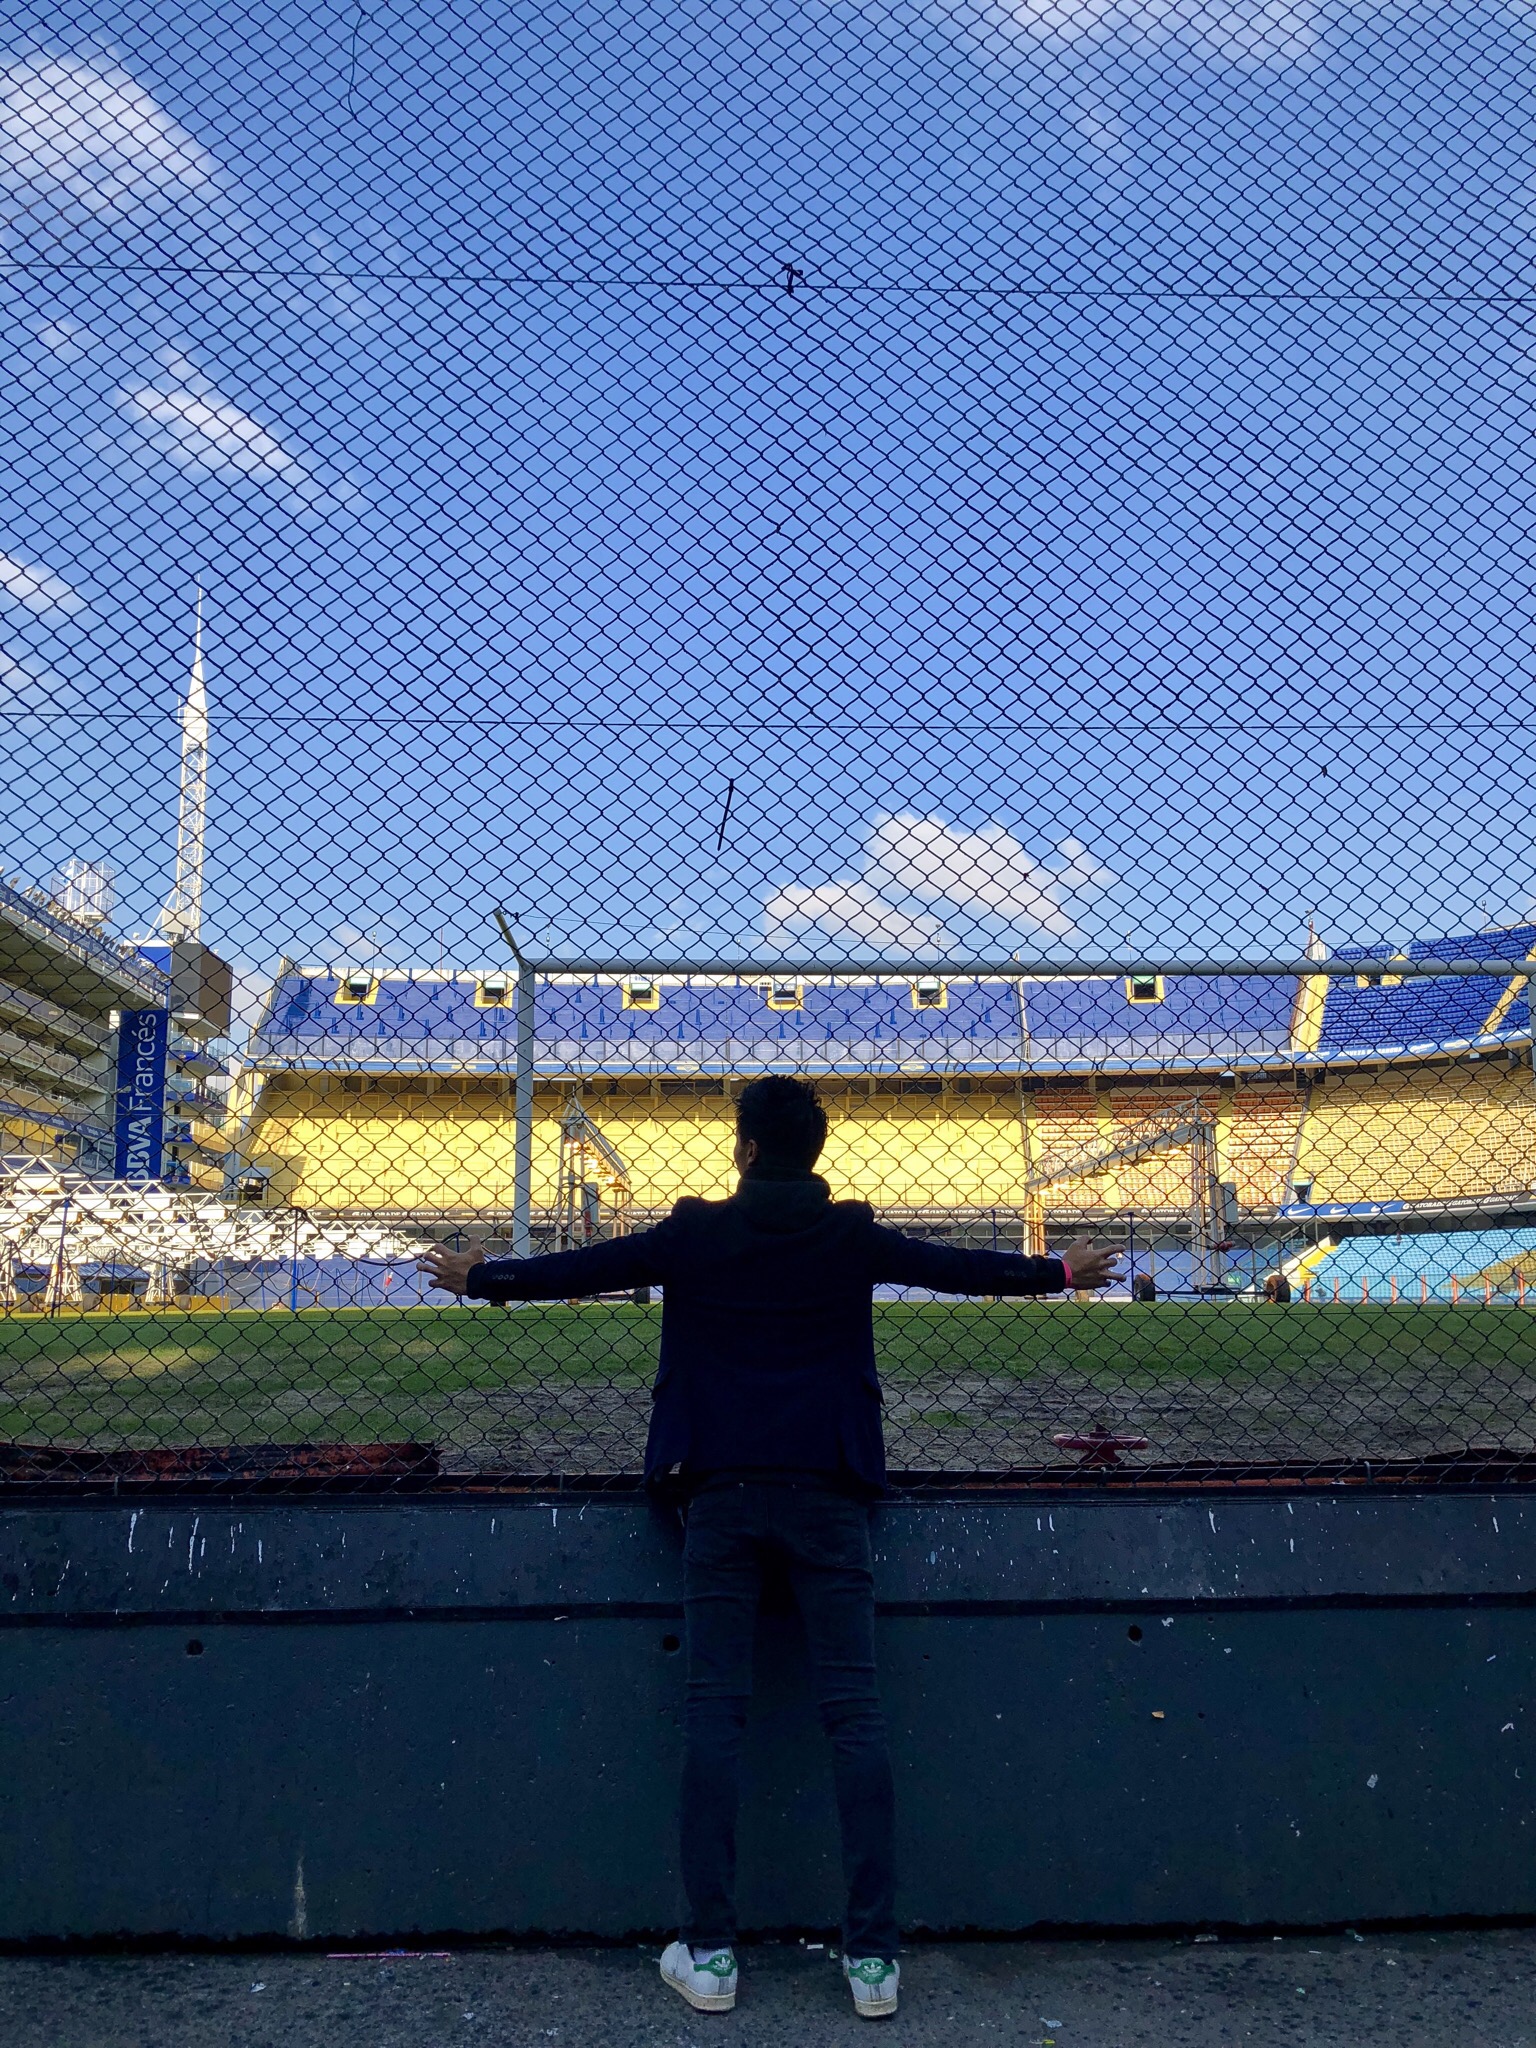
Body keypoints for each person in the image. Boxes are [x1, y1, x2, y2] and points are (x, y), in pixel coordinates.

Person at [421, 1075, 1120, 2021]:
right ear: (812, 1152)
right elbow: (953, 1268)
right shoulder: (849, 1233)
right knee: (855, 1717)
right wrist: (1059, 1271)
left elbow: (585, 1268)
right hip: (827, 1488)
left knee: (715, 1716)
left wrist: (484, 1278)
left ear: (745, 1148)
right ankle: (872, 1961)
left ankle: (711, 1952)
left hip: (719, 1489)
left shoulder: (696, 1230)